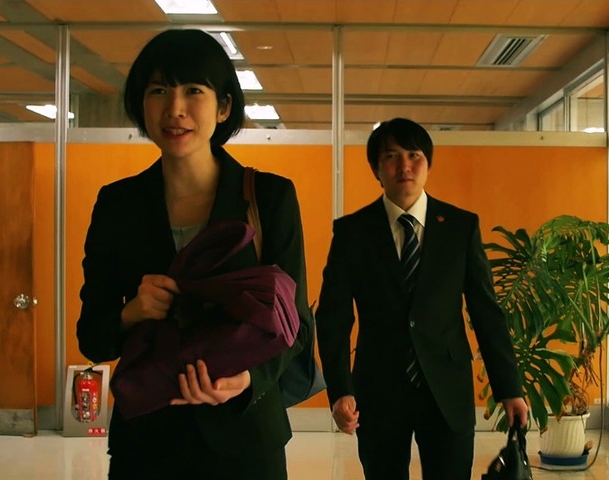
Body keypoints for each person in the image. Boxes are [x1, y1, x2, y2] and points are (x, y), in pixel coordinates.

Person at [76, 29, 311, 480]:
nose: (175, 109)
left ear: (223, 107)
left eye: (194, 91)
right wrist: (132, 312)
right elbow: (92, 337)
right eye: (158, 91)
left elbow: (296, 324)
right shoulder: (118, 204)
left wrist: (248, 379)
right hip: (147, 441)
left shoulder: (269, 196)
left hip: (245, 439)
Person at [315, 117, 529, 479]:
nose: (405, 166)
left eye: (414, 155)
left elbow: (485, 311)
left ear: (428, 164)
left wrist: (509, 388)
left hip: (447, 389)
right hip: (378, 390)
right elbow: (333, 317)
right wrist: (339, 391)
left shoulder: (460, 227)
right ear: (376, 169)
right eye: (392, 157)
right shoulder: (353, 232)